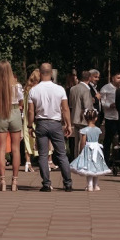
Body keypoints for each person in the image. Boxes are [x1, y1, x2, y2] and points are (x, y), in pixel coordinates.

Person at [27, 63, 74, 193]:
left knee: (42, 155)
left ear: (40, 73)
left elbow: (31, 111)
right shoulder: (59, 89)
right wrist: (68, 124)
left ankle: (46, 184)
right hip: (55, 123)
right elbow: (65, 108)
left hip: (41, 123)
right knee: (61, 154)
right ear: (51, 73)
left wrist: (30, 126)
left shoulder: (34, 90)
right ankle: (68, 183)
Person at [0, 61, 26, 192]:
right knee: (15, 148)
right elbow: (21, 102)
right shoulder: (17, 86)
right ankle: (15, 181)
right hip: (15, 112)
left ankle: (3, 180)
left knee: (1, 148)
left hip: (1, 113)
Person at [71, 108, 109, 190]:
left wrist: (81, 150)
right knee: (95, 168)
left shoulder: (84, 130)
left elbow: (83, 142)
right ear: (96, 118)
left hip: (88, 149)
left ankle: (90, 185)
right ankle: (95, 185)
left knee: (89, 168)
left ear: (85, 118)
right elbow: (98, 139)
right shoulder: (98, 129)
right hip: (96, 149)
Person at [67, 70, 97, 158]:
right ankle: (82, 159)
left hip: (75, 117)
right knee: (84, 141)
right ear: (89, 78)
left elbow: (71, 104)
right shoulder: (86, 90)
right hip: (83, 118)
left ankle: (77, 158)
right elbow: (87, 106)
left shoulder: (73, 88)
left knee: (77, 141)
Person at [99, 71, 120, 160]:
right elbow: (102, 102)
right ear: (113, 78)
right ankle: (106, 160)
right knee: (108, 140)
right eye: (118, 78)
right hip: (110, 117)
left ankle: (117, 159)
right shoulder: (105, 88)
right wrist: (109, 105)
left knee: (119, 140)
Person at [23, 67, 40, 172]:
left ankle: (28, 162)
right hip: (34, 117)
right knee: (37, 139)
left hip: (26, 118)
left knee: (27, 141)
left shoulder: (26, 89)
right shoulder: (36, 90)